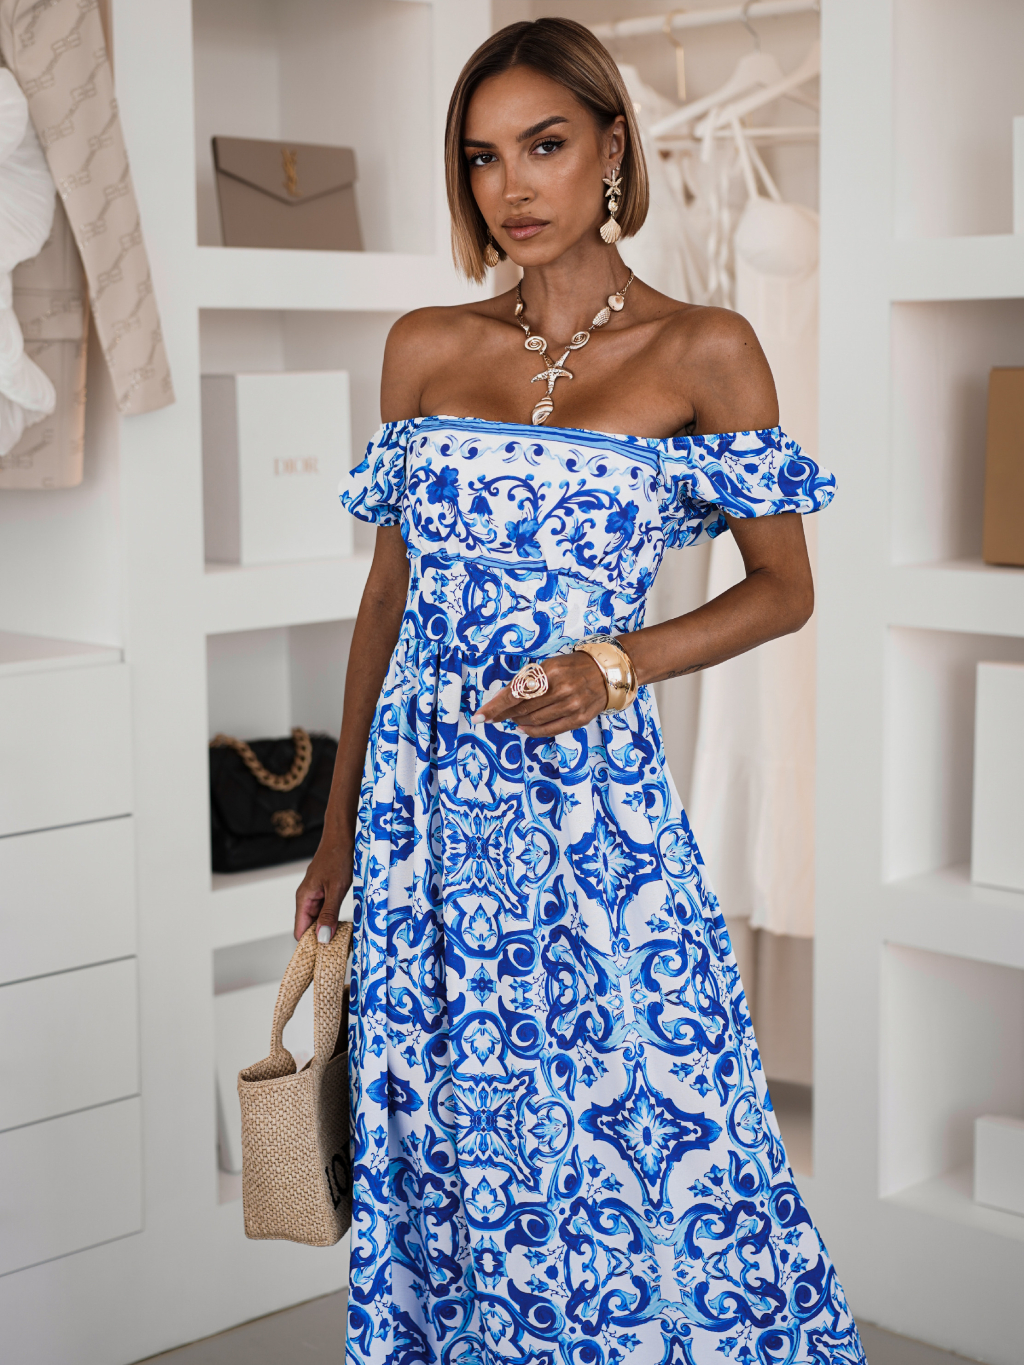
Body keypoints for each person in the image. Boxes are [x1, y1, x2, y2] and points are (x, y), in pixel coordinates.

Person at [295, 17, 863, 1365]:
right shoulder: (426, 346)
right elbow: (385, 602)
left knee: (654, 1124)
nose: (514, 187)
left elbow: (785, 587)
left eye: (544, 145)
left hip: (593, 816)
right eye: (483, 157)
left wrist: (618, 664)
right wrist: (335, 828)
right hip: (425, 821)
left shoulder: (704, 350)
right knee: (453, 1142)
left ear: (612, 146)